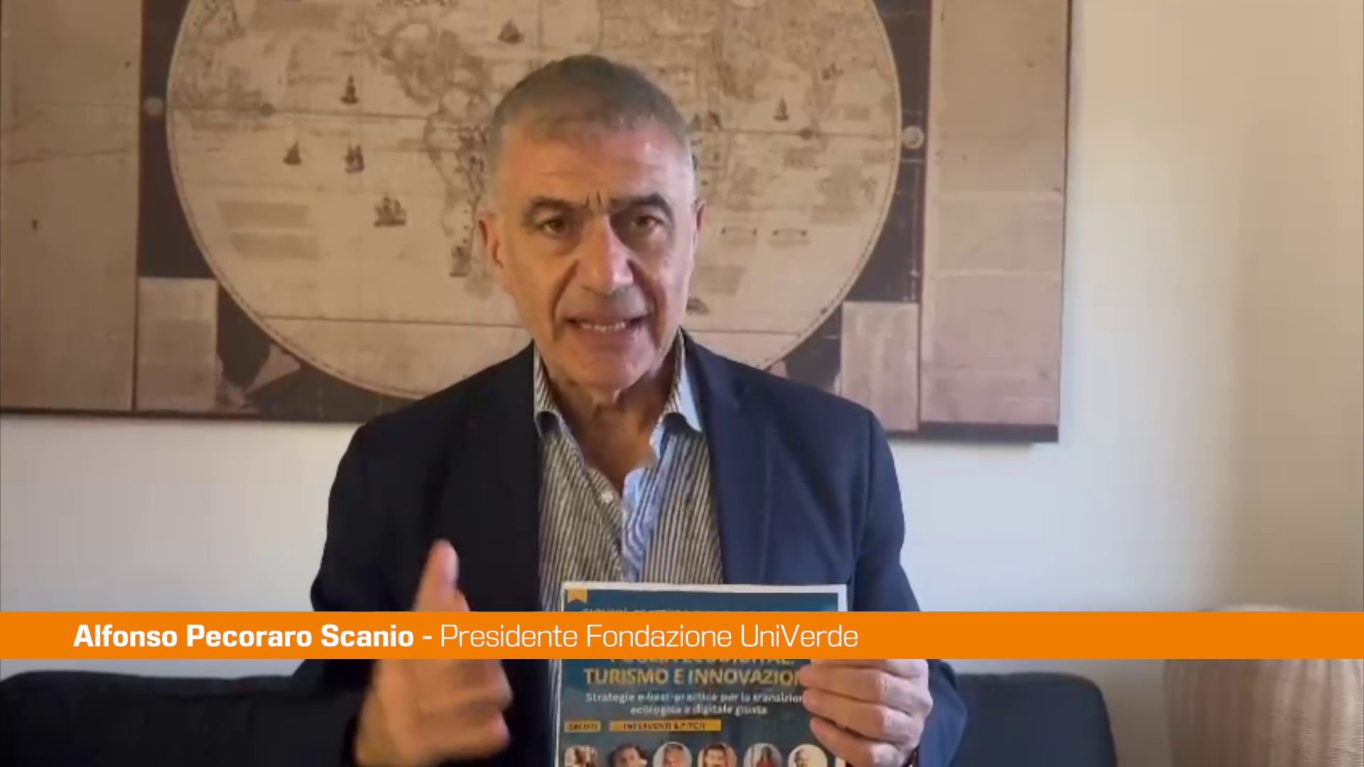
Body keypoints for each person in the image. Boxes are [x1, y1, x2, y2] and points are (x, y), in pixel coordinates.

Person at [296, 54, 966, 767]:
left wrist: (905, 729)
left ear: (693, 234)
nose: (605, 273)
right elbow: (315, 709)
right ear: (497, 249)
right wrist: (371, 738)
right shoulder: (394, 469)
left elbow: (931, 694)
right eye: (554, 223)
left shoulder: (836, 450)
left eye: (643, 220)